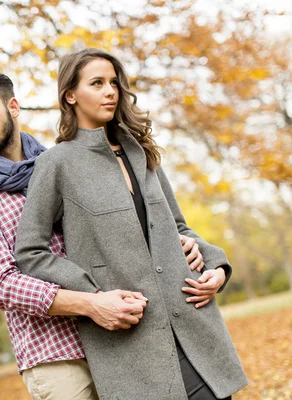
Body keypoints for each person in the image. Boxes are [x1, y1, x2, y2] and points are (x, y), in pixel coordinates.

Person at [0, 64, 210, 400]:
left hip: (119, 342)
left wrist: (176, 243)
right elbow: (3, 286)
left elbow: (119, 230)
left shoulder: (63, 164)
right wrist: (91, 304)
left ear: (13, 107)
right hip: (57, 359)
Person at [14, 48, 248, 399]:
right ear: (71, 95)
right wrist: (94, 292)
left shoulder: (140, 150)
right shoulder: (55, 164)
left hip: (195, 326)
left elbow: (179, 228)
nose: (110, 91)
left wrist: (215, 266)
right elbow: (30, 252)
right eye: (97, 83)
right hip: (132, 346)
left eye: (114, 83)